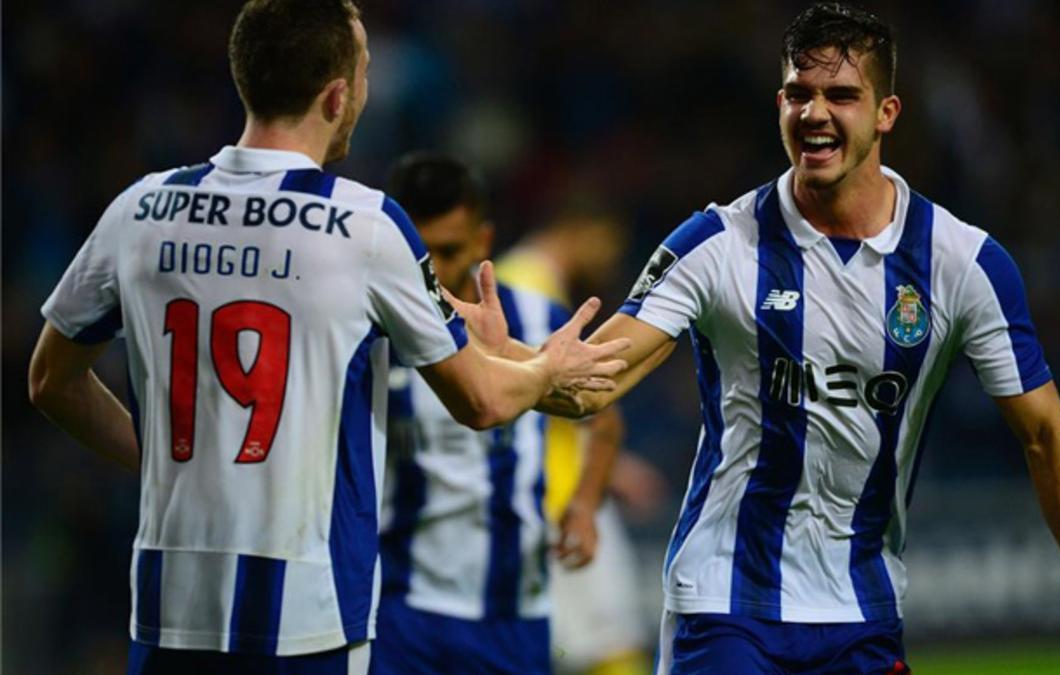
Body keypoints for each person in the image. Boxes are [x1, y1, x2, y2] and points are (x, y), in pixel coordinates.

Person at [457, 3, 1060, 674]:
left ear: (887, 114)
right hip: (727, 603)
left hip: (863, 608)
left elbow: (1045, 431)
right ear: (780, 104)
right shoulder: (717, 244)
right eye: (799, 92)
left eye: (841, 95)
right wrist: (495, 357)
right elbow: (596, 379)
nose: (815, 112)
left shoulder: (963, 263)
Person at [26, 2, 627, 673]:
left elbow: (50, 380)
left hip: (169, 605)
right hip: (307, 616)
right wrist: (550, 366)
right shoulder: (364, 225)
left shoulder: (141, 208)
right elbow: (482, 401)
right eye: (365, 70)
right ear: (338, 95)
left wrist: (159, 461)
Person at [370, 152, 571, 674]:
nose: (432, 272)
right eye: (420, 253)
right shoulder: (370, 332)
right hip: (401, 604)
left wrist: (587, 505)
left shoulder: (536, 318)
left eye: (449, 250)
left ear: (482, 241)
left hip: (512, 610)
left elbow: (601, 413)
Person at [496, 209, 657, 675]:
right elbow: (553, 389)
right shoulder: (528, 286)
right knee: (612, 643)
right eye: (608, 242)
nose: (612, 261)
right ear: (577, 228)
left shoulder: (524, 278)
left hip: (548, 486)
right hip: (561, 490)